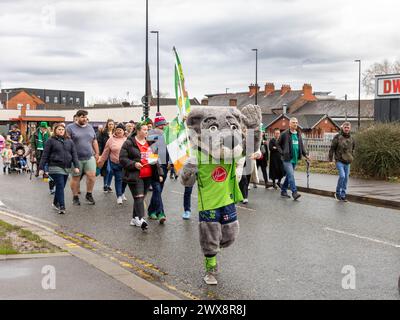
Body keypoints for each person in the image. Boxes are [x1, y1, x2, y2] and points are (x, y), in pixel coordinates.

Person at [119, 122, 164, 230]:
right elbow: (122, 159)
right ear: (138, 130)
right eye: (144, 130)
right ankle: (141, 218)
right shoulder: (129, 143)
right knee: (139, 196)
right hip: (135, 174)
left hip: (148, 175)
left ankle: (134, 218)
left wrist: (160, 173)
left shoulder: (150, 143)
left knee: (141, 197)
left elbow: (155, 160)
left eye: (147, 130)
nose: (146, 132)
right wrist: (134, 164)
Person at [39, 123, 80, 214]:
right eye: (59, 129)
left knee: (61, 187)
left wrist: (76, 166)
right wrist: (41, 168)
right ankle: (62, 206)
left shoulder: (69, 141)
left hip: (67, 167)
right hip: (55, 166)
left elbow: (74, 154)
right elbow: (45, 155)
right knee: (60, 186)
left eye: (62, 129)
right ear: (55, 131)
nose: (61, 131)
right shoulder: (50, 141)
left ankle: (55, 203)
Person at [66, 110, 99, 206]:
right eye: (82, 117)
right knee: (76, 177)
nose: (84, 119)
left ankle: (89, 194)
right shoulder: (70, 128)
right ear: (77, 117)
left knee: (92, 176)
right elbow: (67, 143)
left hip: (89, 156)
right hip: (76, 158)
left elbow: (94, 141)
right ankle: (75, 197)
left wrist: (97, 153)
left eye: (85, 117)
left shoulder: (90, 127)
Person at [278, 117, 310, 200]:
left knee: (289, 176)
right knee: (291, 175)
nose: (295, 124)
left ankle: (283, 190)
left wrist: (306, 155)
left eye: (296, 122)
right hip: (287, 159)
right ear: (289, 124)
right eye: (293, 122)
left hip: (295, 158)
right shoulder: (285, 134)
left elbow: (301, 146)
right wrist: (282, 152)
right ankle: (294, 192)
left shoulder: (298, 134)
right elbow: (278, 144)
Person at [147, 112, 169, 223]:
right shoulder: (152, 135)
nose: (163, 126)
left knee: (158, 190)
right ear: (156, 126)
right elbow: (151, 151)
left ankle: (151, 211)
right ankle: (161, 213)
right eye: (161, 125)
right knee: (157, 188)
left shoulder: (167, 135)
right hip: (155, 165)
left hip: (164, 165)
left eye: (164, 124)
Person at [97, 123, 128, 205]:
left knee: (125, 180)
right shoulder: (111, 139)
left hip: (126, 164)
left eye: (120, 130)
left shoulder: (127, 139)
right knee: (118, 179)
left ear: (124, 131)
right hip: (115, 162)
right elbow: (106, 151)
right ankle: (119, 196)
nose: (118, 131)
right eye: (117, 130)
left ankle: (122, 192)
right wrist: (101, 161)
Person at [329, 122, 355, 202]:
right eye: (345, 127)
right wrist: (330, 160)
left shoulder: (352, 138)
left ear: (350, 128)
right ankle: (337, 193)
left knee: (346, 178)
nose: (346, 129)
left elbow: (353, 148)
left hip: (348, 161)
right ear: (342, 128)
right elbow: (332, 148)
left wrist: (352, 156)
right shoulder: (337, 137)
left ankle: (343, 195)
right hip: (339, 160)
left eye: (348, 127)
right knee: (342, 176)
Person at [30, 122, 55, 192]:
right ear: (40, 127)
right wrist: (33, 149)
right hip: (38, 149)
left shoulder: (49, 133)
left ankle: (45, 173)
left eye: (45, 128)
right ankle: (38, 170)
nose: (44, 129)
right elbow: (32, 142)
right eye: (43, 128)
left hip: (47, 149)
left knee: (46, 161)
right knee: (39, 160)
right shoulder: (35, 133)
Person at [97, 119, 115, 193]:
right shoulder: (103, 133)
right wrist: (100, 154)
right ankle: (105, 185)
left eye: (112, 124)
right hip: (105, 154)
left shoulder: (115, 133)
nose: (111, 126)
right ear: (107, 125)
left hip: (114, 154)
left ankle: (108, 185)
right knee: (107, 170)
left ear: (114, 125)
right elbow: (100, 144)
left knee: (112, 171)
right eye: (109, 124)